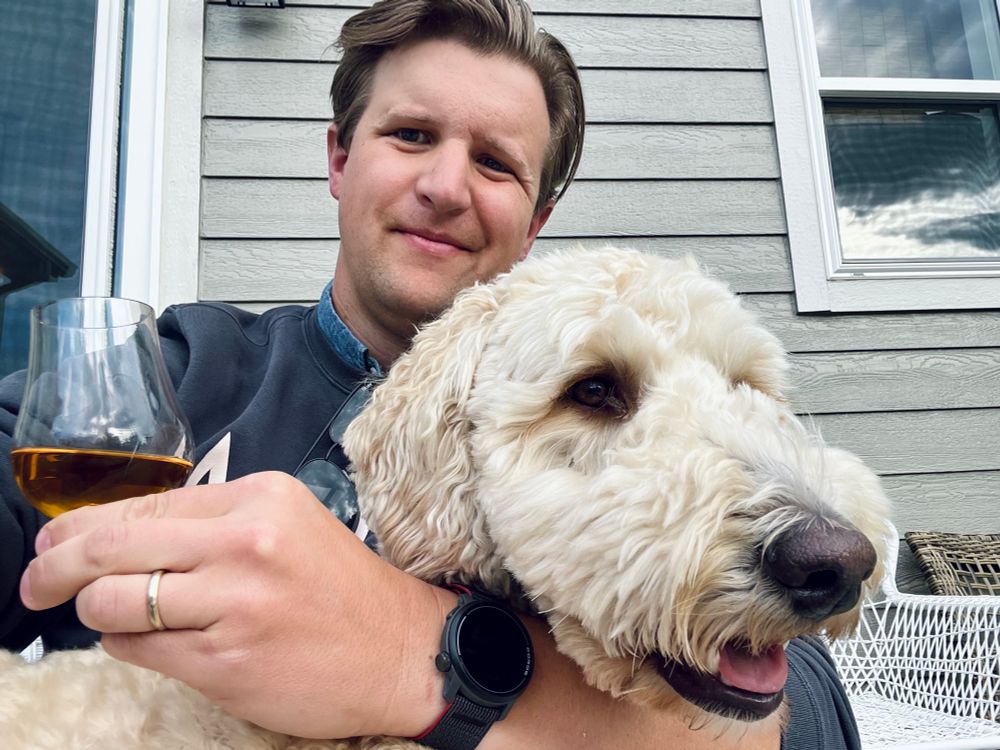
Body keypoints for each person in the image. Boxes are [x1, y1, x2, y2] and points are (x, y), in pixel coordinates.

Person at [0, 1, 859, 748]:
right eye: (411, 136)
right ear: (340, 160)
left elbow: (809, 720)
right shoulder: (183, 373)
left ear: (535, 220)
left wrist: (419, 656)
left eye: (495, 163)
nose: (447, 186)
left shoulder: (676, 440)